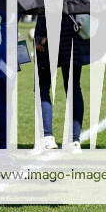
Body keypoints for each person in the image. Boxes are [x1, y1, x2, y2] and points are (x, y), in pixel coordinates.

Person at [34, 11, 87, 151]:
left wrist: (39, 38)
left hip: (49, 40)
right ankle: (74, 140)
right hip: (72, 40)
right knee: (73, 88)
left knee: (43, 88)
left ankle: (48, 137)